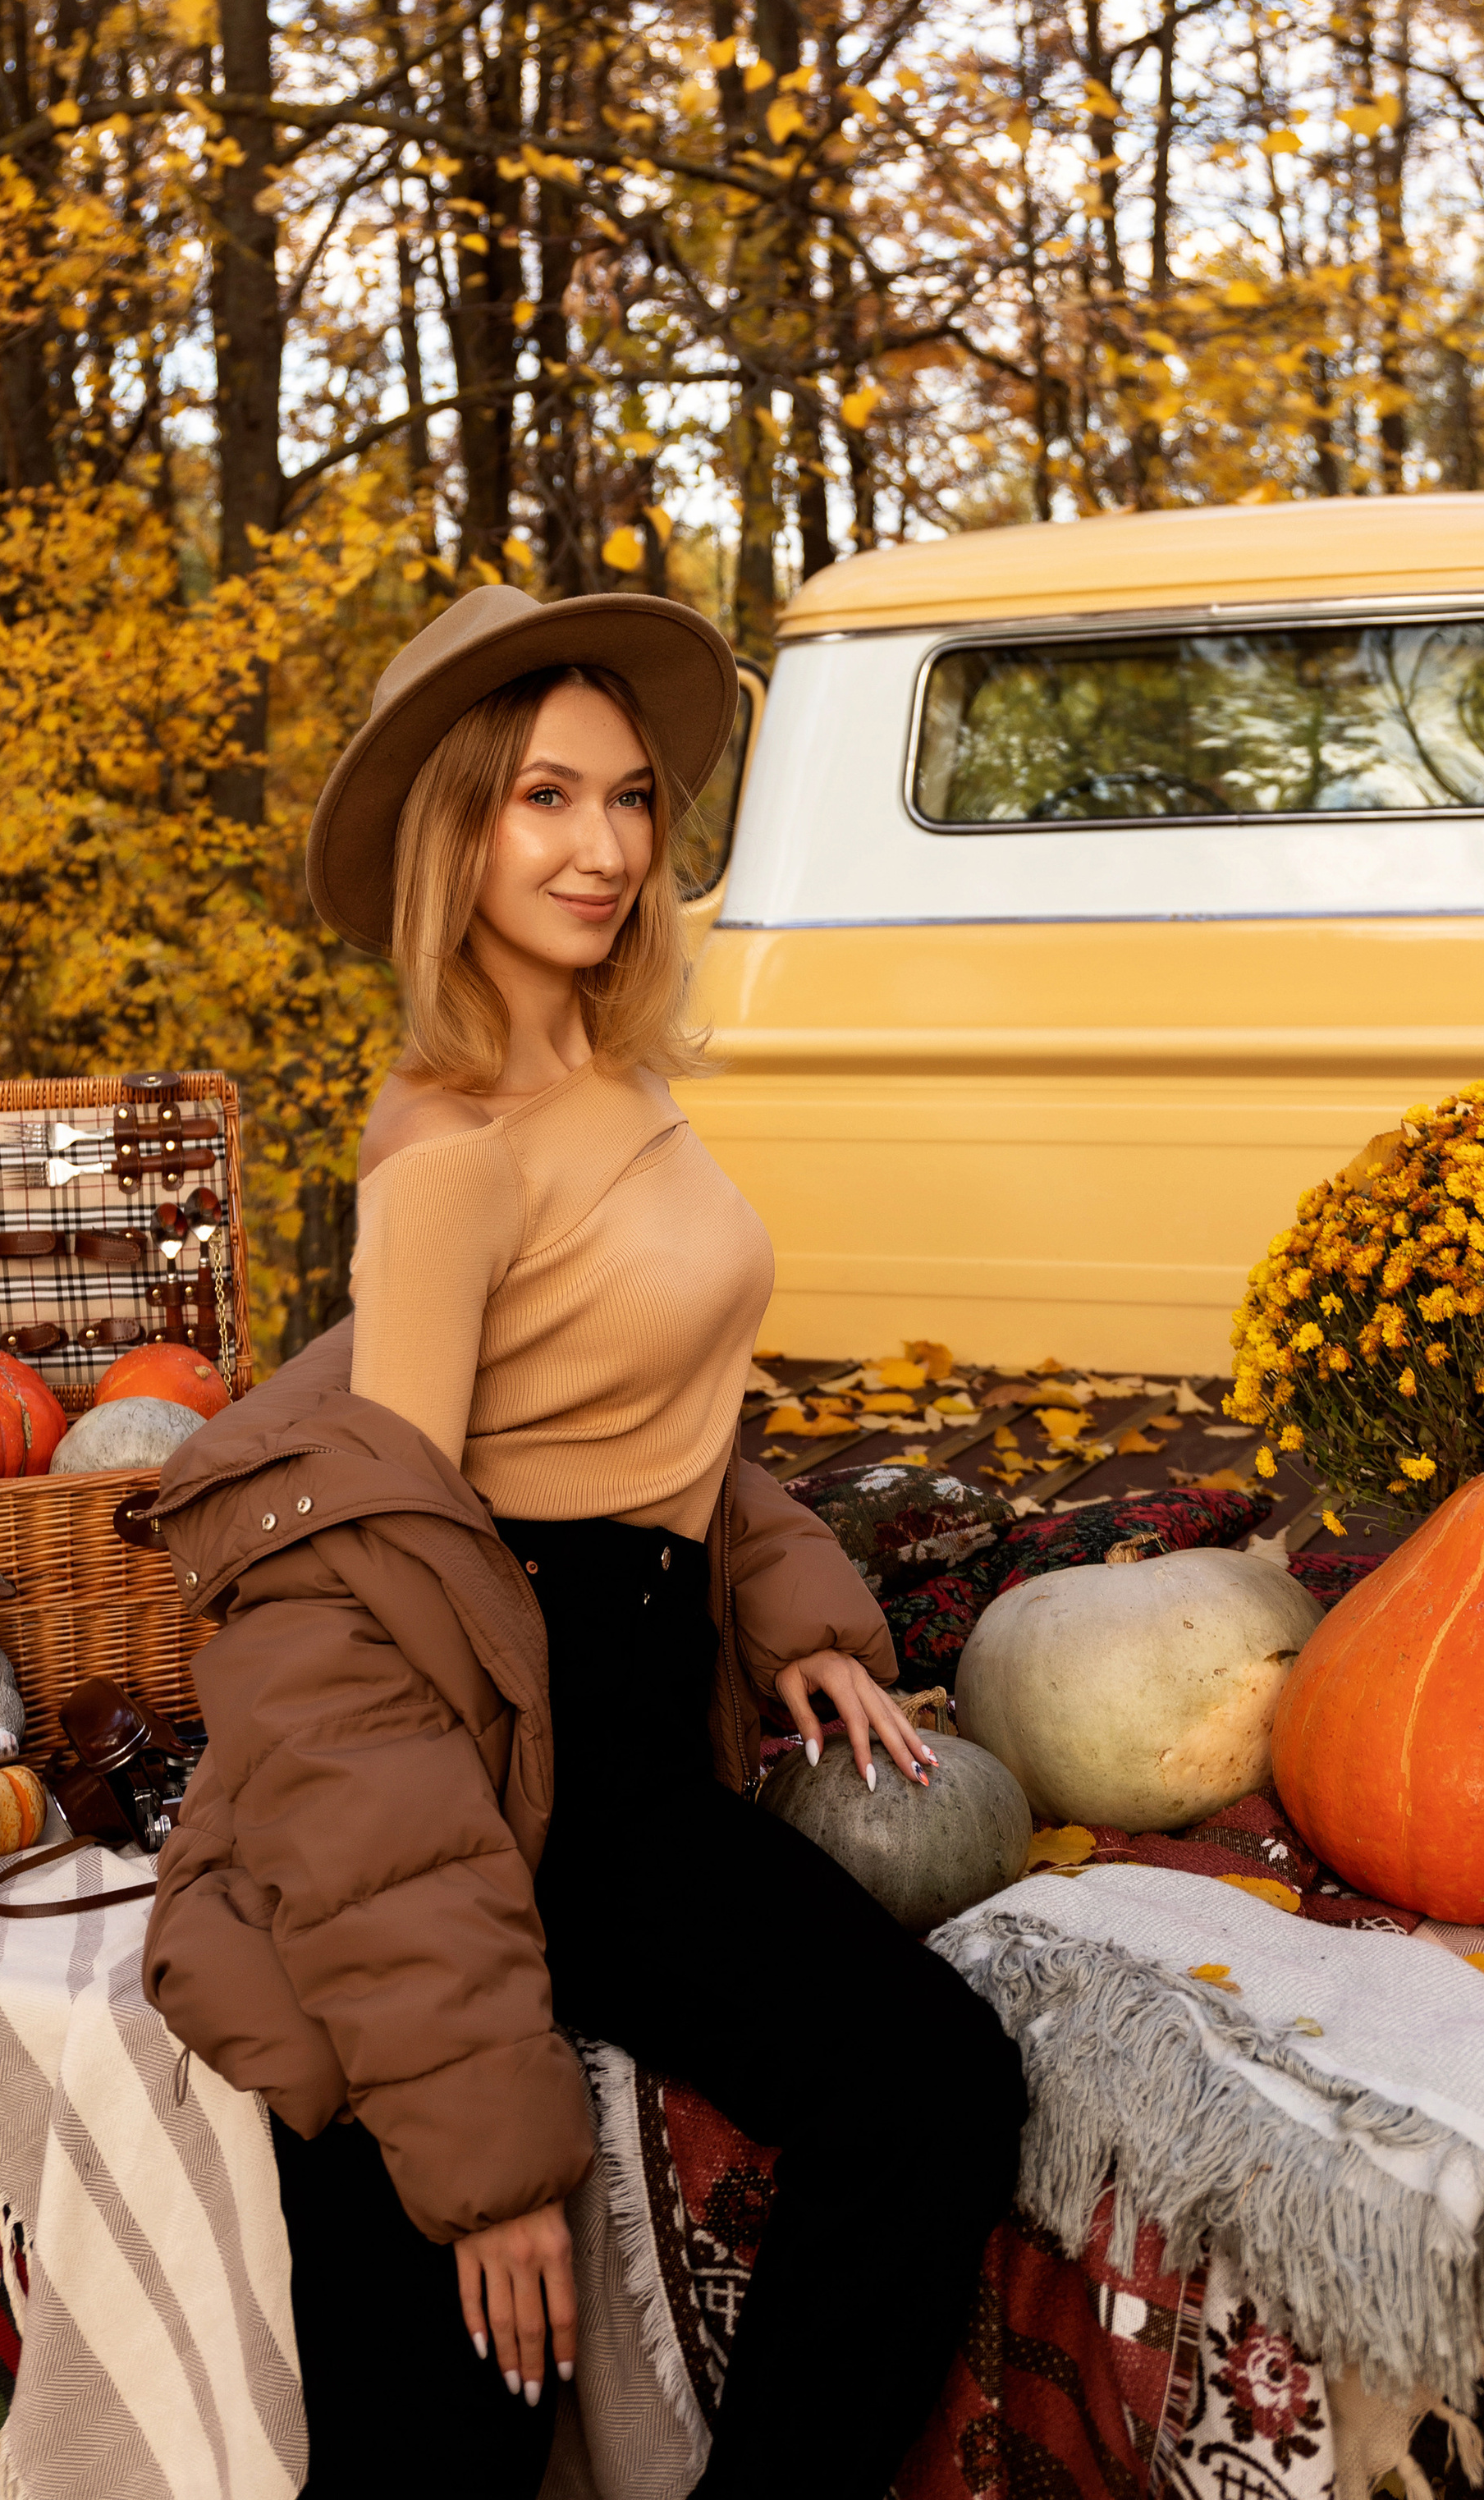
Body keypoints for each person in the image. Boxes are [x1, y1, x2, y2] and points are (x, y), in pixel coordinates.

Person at [144, 584, 1027, 2500]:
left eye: (627, 799)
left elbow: (641, 1412)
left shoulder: (615, 1080)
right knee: (456, 2400)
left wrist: (777, 1598)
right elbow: (350, 1622)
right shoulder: (446, 1150)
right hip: (494, 1748)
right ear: (453, 833)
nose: (603, 848)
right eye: (543, 800)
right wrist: (479, 2155)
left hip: (632, 1709)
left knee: (928, 2086)